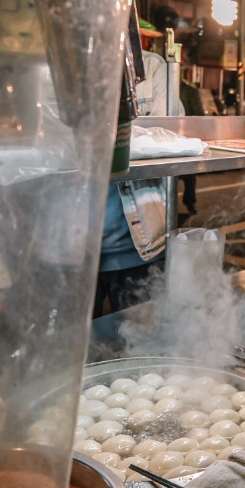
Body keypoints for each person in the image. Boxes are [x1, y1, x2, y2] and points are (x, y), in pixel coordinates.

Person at [94, 47, 186, 318]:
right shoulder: (52, 65)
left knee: (142, 348)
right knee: (70, 352)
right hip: (67, 253)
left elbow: (171, 135)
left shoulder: (148, 65)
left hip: (141, 247)